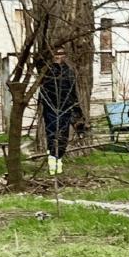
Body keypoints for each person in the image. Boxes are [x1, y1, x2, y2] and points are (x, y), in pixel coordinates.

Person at [39, 46, 81, 175]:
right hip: (51, 108)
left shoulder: (68, 71)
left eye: (61, 54)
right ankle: (52, 162)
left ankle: (59, 160)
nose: (59, 57)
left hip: (65, 108)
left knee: (63, 135)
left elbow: (72, 91)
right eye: (56, 54)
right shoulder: (47, 71)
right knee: (52, 134)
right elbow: (44, 89)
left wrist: (75, 108)